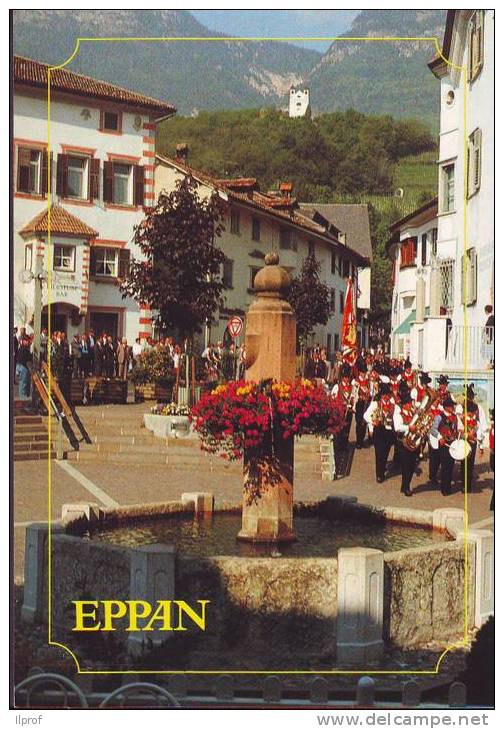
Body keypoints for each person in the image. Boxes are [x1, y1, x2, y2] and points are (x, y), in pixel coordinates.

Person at [431, 395, 463, 496]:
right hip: (444, 444)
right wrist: (440, 437)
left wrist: (460, 431)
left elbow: (459, 427)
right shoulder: (439, 416)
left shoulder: (455, 417)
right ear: (446, 407)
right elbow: (433, 430)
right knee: (445, 466)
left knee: (450, 465)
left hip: (452, 443)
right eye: (450, 406)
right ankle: (444, 489)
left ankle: (447, 487)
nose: (452, 408)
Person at [364, 382, 396, 483]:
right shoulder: (375, 404)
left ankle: (382, 468)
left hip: (389, 432)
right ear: (381, 395)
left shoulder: (393, 406)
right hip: (379, 431)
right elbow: (366, 415)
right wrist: (373, 421)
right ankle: (379, 475)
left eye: (387, 395)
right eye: (384, 394)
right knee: (379, 453)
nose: (386, 397)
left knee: (385, 453)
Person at [393, 384, 419, 496]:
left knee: (412, 465)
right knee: (406, 465)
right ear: (405, 405)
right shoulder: (398, 414)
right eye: (409, 403)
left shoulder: (412, 413)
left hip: (412, 442)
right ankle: (406, 487)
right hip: (402, 443)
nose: (410, 405)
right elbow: (397, 427)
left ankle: (405, 486)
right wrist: (409, 427)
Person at [353, 359, 371, 449]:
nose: (364, 374)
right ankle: (358, 441)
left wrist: (367, 396)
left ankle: (362, 440)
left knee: (364, 422)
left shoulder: (367, 381)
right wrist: (361, 396)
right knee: (359, 422)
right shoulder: (356, 381)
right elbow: (355, 392)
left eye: (365, 372)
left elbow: (369, 390)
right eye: (362, 372)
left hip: (365, 404)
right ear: (360, 372)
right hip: (359, 404)